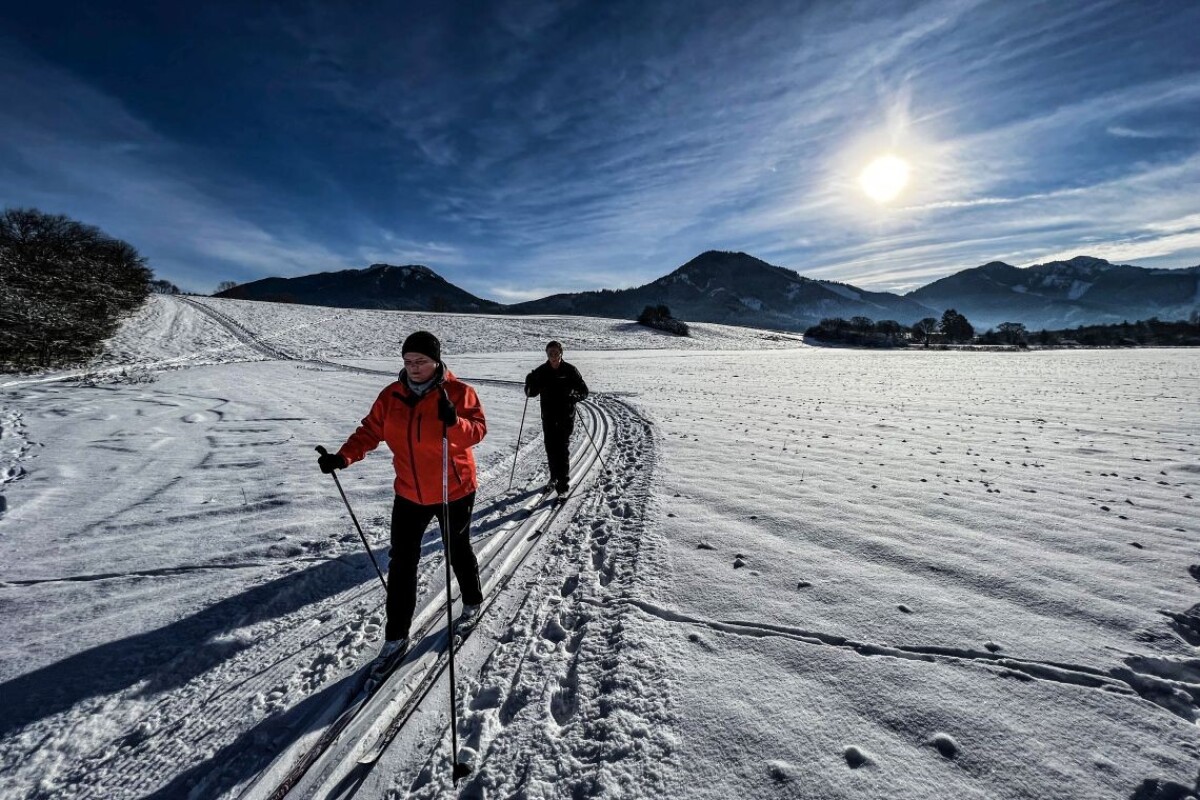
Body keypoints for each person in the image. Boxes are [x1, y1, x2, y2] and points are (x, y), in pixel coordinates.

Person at [317, 331, 486, 666]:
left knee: (458, 549)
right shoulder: (391, 395)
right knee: (402, 564)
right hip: (409, 491)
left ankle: (472, 602)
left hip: (453, 489)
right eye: (408, 361)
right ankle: (395, 636)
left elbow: (477, 430)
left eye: (420, 361)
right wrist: (343, 457)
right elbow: (370, 431)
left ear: (436, 360)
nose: (413, 367)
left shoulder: (458, 392)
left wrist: (453, 422)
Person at [524, 340, 589, 496]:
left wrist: (575, 396)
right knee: (551, 448)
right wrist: (529, 382)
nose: (553, 356)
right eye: (550, 353)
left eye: (555, 353)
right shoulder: (541, 371)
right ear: (547, 354)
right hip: (548, 416)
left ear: (561, 353)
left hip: (566, 416)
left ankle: (563, 485)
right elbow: (531, 393)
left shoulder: (570, 370)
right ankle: (553, 478)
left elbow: (584, 391)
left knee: (562, 449)